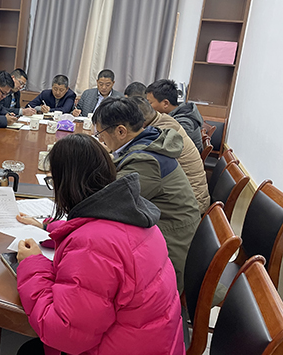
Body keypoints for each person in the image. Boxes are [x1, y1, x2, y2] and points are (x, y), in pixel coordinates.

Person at [14, 134, 184, 355]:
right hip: (155, 343)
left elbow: (64, 334)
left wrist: (32, 265)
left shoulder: (93, 245)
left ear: (66, 184)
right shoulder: (134, 215)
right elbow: (103, 237)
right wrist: (51, 226)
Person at [92, 97, 200, 292]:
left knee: (95, 263)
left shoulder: (146, 160)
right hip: (169, 233)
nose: (101, 140)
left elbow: (108, 204)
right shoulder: (151, 141)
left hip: (170, 250)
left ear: (121, 131)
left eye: (100, 134)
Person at [131, 96, 211, 214]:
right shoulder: (163, 119)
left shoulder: (160, 134)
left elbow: (140, 172)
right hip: (191, 195)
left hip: (191, 204)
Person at [146, 79, 204, 152]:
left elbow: (170, 147)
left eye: (150, 103)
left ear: (165, 103)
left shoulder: (184, 122)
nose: (147, 106)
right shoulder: (175, 113)